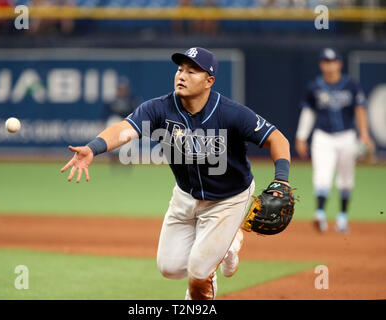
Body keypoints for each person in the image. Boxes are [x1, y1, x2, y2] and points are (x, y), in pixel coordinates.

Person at [61, 47, 291, 300]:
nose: (182, 75)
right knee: (169, 268)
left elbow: (277, 139)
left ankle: (213, 263)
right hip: (185, 196)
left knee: (199, 271)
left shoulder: (231, 113)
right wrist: (93, 148)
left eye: (192, 71)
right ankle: (228, 245)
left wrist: (281, 178)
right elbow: (125, 129)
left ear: (209, 81)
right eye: (180, 69)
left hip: (228, 199)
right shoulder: (159, 109)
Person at [295, 47, 373, 234]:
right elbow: (308, 112)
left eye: (332, 62)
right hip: (323, 137)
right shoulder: (315, 86)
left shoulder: (351, 85)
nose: (329, 65)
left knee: (346, 179)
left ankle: (343, 218)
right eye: (325, 62)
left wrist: (364, 133)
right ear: (321, 64)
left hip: (347, 136)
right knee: (322, 175)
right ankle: (320, 214)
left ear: (339, 63)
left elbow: (360, 110)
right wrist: (301, 136)